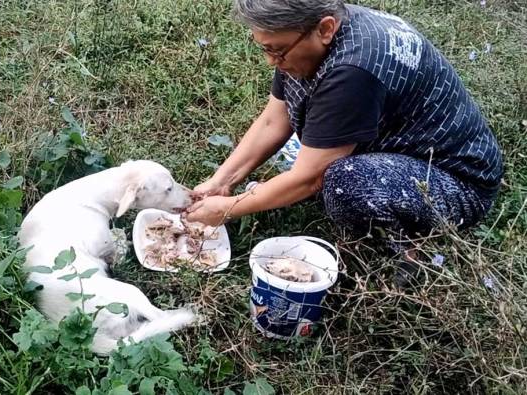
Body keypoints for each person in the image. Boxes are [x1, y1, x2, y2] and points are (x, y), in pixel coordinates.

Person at [185, 0, 503, 286]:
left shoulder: (352, 70)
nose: (271, 61)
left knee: (343, 181)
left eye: (277, 51)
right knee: (306, 151)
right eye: (265, 49)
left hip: (458, 184)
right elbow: (274, 119)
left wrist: (229, 209)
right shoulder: (309, 32)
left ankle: (405, 254)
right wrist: (221, 181)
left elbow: (311, 178)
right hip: (394, 146)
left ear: (325, 29)